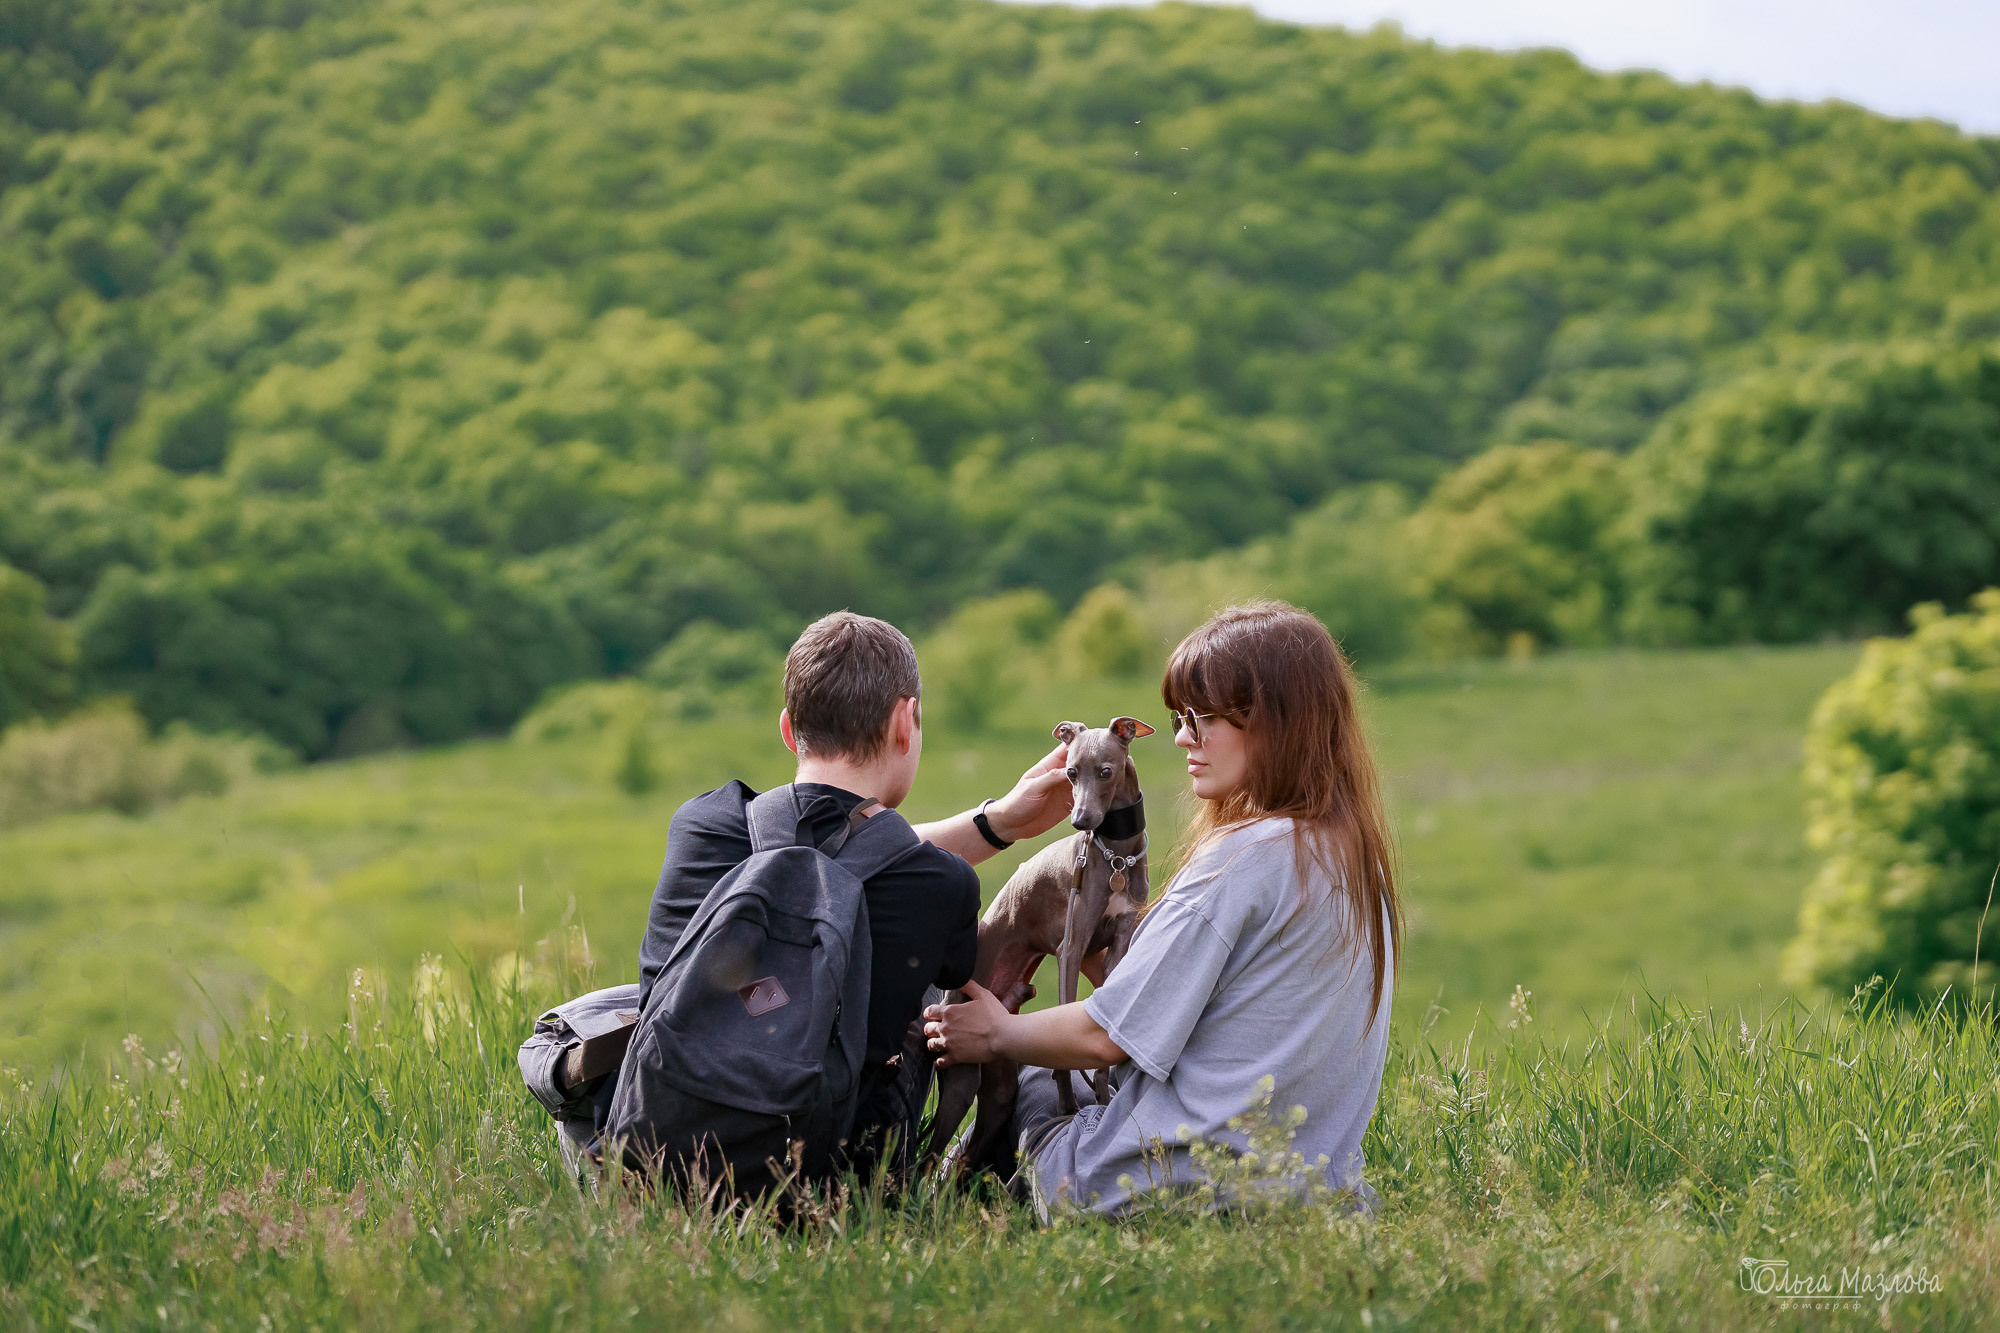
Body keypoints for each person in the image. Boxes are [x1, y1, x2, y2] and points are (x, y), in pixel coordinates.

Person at [924, 601, 1403, 1217]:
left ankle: (934, 1202)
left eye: (1202, 718)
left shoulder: (1238, 861)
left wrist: (995, 1032)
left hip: (1160, 1190)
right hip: (1312, 1196)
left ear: (1276, 722)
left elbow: (1101, 1040)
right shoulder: (1354, 859)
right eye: (1181, 717)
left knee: (1035, 1081)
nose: (1181, 737)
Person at [634, 610, 1076, 1180]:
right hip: (823, 1179)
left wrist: (996, 823)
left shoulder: (702, 827)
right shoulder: (938, 885)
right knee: (927, 1004)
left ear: (790, 730)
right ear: (904, 722)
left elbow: (813, 864)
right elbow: (856, 868)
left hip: (656, 1148)